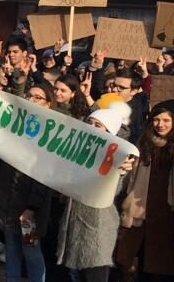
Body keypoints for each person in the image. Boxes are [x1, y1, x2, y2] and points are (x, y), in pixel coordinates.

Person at [55, 108, 134, 282]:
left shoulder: (119, 156)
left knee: (95, 274)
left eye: (98, 125)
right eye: (89, 122)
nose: (91, 127)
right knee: (74, 275)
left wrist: (120, 171)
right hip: (72, 223)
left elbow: (113, 190)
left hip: (97, 227)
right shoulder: (76, 150)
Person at [0, 83, 55, 282]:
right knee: (11, 249)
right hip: (8, 204)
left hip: (29, 212)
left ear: (48, 104)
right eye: (29, 95)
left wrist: (32, 207)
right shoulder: (17, 123)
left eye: (38, 97)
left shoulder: (51, 133)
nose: (32, 100)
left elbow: (44, 174)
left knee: (31, 251)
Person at [114, 99, 174, 282]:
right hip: (139, 217)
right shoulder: (142, 145)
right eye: (156, 120)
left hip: (166, 218)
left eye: (166, 120)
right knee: (136, 268)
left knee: (162, 270)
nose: (160, 125)